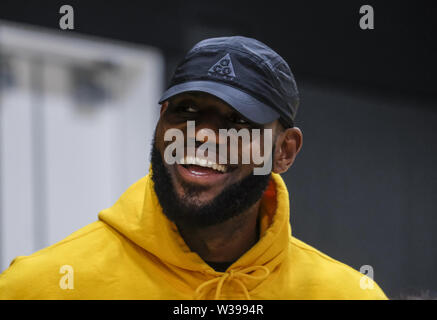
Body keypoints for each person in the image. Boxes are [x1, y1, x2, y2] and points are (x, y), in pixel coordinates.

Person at [0, 36, 387, 300]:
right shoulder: (43, 286)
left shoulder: (345, 294)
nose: (202, 135)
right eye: (186, 111)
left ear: (284, 151)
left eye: (237, 121)